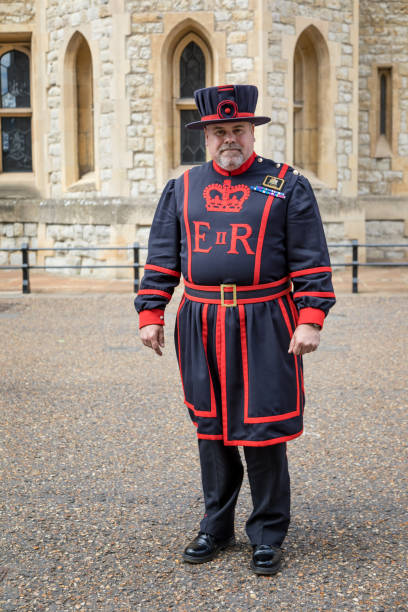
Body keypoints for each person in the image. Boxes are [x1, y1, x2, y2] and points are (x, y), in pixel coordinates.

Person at [134, 84, 335, 575]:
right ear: (206, 135)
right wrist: (150, 312)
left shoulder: (287, 185)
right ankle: (215, 527)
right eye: (220, 131)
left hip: (266, 320)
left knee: (262, 431)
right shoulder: (182, 188)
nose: (230, 139)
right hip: (201, 321)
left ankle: (267, 534)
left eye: (238, 130)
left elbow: (311, 260)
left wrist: (311, 318)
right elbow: (163, 256)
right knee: (212, 430)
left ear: (252, 132)